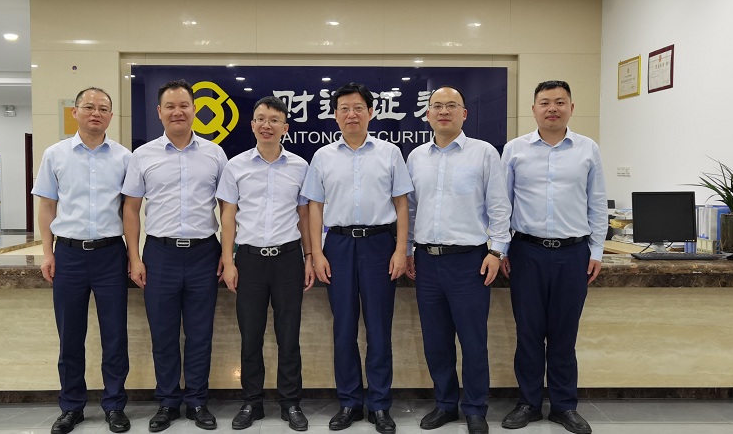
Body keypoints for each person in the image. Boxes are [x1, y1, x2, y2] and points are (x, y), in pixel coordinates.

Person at [301, 82, 414, 434]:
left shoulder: (389, 153)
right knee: (344, 329)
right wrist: (316, 253)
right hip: (338, 246)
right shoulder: (323, 157)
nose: (352, 114)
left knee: (379, 329)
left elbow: (402, 205)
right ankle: (349, 402)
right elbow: (314, 208)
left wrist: (401, 249)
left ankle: (379, 405)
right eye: (345, 109)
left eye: (358, 108)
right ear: (335, 115)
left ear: (371, 112)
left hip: (380, 245)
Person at [499, 80, 607, 434]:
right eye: (545, 102)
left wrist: (596, 250)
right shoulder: (514, 150)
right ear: (533, 109)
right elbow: (501, 205)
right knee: (528, 333)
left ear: (571, 108)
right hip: (526, 252)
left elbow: (597, 203)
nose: (552, 109)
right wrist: (501, 249)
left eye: (560, 102)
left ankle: (564, 406)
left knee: (564, 335)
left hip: (573, 254)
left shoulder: (588, 149)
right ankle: (528, 403)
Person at [404, 86, 512, 434]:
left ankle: (476, 408)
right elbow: (411, 209)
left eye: (452, 106)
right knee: (436, 341)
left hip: (469, 262)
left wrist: (496, 250)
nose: (444, 111)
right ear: (427, 114)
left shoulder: (483, 153)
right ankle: (445, 404)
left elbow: (499, 207)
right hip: (427, 261)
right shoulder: (416, 157)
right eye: (437, 106)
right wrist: (407, 249)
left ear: (464, 113)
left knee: (473, 341)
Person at [122, 80, 228, 432]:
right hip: (160, 254)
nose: (178, 112)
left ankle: (197, 400)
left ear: (194, 110)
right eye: (170, 106)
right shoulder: (143, 156)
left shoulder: (215, 154)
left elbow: (228, 208)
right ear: (159, 112)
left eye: (184, 105)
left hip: (204, 253)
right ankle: (167, 402)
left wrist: (228, 254)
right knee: (164, 334)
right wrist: (135, 258)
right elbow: (131, 209)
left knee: (200, 334)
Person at [32, 87, 132, 434]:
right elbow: (47, 207)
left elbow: (130, 211)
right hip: (69, 255)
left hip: (110, 255)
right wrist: (48, 252)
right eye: (89, 107)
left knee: (115, 336)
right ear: (74, 112)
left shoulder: (124, 158)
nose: (95, 113)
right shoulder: (55, 155)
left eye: (103, 109)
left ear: (111, 116)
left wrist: (133, 255)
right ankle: (71, 407)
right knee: (70, 336)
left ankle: (115, 406)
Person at [216, 96, 315, 431]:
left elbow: (304, 216)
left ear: (285, 127)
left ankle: (291, 403)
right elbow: (227, 216)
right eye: (260, 119)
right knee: (250, 336)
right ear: (252, 125)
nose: (266, 125)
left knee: (289, 336)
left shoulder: (300, 166)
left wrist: (309, 257)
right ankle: (251, 402)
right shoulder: (236, 166)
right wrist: (228, 260)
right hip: (249, 260)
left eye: (274, 120)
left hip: (288, 259)